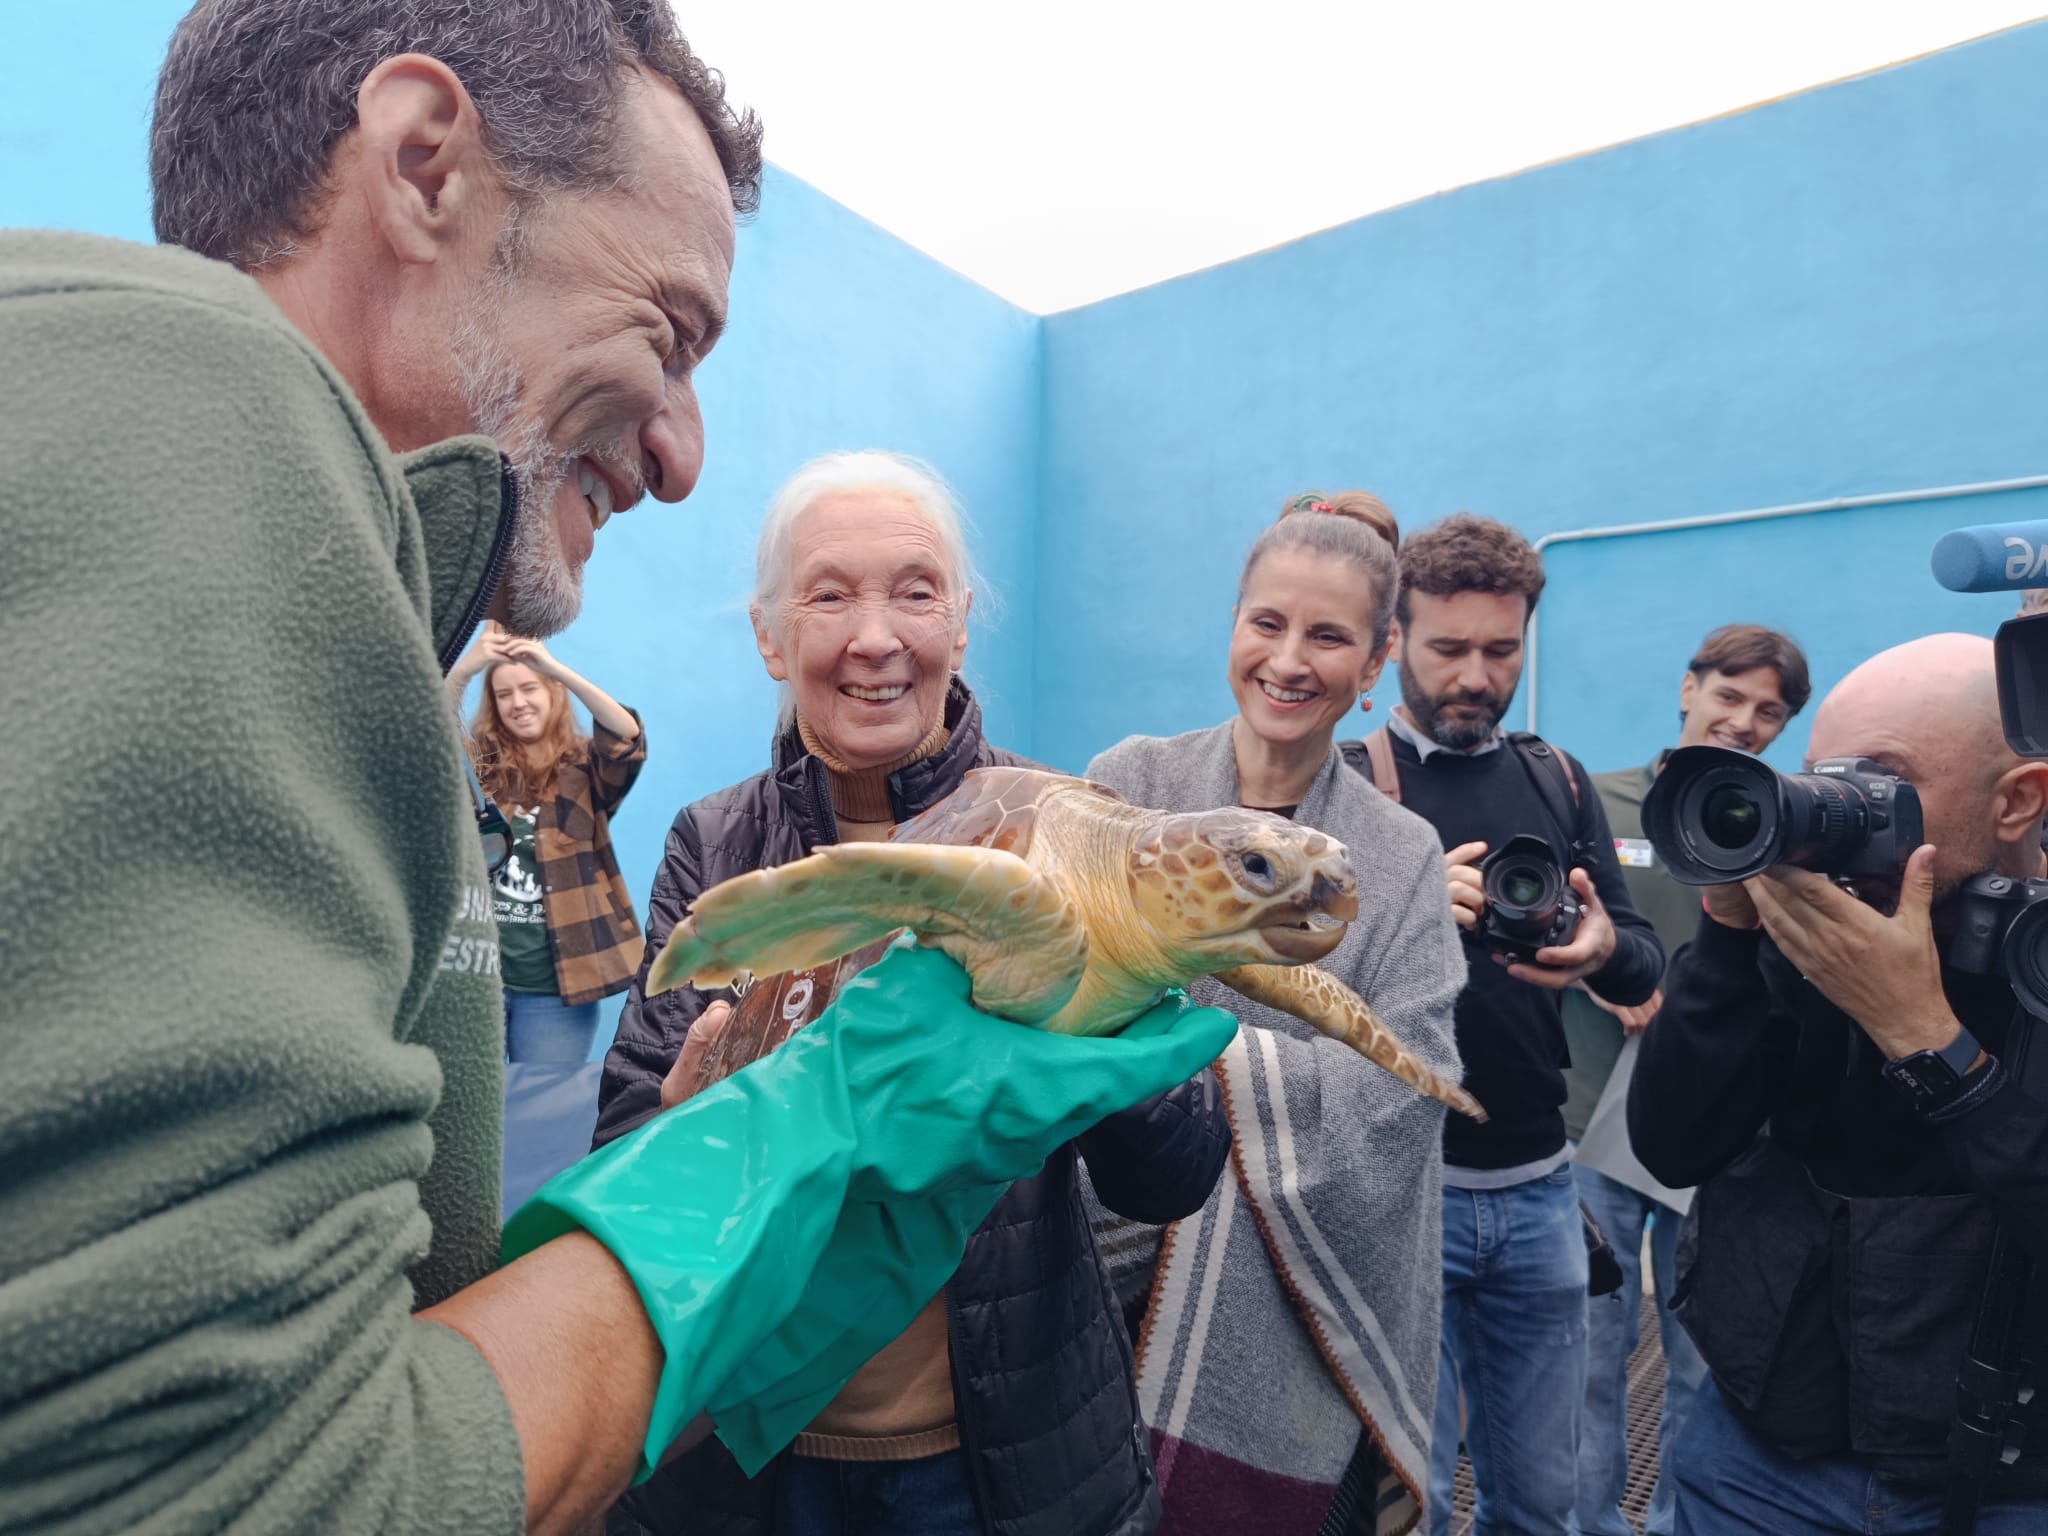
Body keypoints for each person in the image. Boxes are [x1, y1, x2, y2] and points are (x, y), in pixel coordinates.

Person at [0, 7, 1235, 1532]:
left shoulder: (362, 616)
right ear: (422, 164)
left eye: (917, 592)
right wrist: (799, 1125)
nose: (682, 452)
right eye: (668, 331)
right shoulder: (209, 467)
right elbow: (267, 1478)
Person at [595, 451, 1233, 1536]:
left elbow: (1171, 1174)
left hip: (988, 1461)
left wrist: (1104, 1017)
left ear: (962, 620)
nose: (875, 636)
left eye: (915, 589)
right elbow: (623, 1128)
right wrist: (679, 1128)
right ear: (769, 634)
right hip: (753, 1449)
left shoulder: (1071, 829)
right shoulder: (714, 842)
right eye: (829, 593)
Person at [1081, 491, 1468, 1536]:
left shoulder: (1398, 857)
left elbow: (1408, 1082)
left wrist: (1196, 1064)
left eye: (1328, 636)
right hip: (1099, 1275)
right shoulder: (1133, 784)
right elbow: (1058, 978)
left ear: (1375, 661)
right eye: (1267, 623)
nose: (1289, 661)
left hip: (1290, 1313)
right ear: (1233, 625)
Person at [1629, 633, 2048, 1535]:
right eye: (1821, 774)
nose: (1832, 809)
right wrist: (1729, 936)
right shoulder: (1800, 940)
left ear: (2017, 801)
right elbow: (1672, 1143)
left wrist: (1925, 1036)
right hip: (1759, 1456)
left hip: (2006, 1482)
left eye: (1880, 781)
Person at [1344, 513, 1663, 1536]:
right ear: (1394, 642)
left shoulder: (1554, 776)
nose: (1474, 676)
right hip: (1406, 1194)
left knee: (1546, 1504)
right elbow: (1280, 982)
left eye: (1500, 651)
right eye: (1447, 650)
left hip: (1538, 1189)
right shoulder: (1343, 784)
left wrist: (1602, 951)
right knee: (1416, 1501)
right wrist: (1403, 904)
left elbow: (1641, 956)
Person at [1559, 623, 1810, 1536]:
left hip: (1717, 1138)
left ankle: (1675, 1523)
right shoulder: (1604, 803)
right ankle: (1589, 1522)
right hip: (1593, 1124)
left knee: (1704, 1357)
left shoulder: (1779, 823)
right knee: (1593, 1350)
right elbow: (1552, 913)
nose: (1744, 722)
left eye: (1769, 711)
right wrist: (1610, 974)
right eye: (1729, 696)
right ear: (1688, 689)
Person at [449, 622, 648, 1063]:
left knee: (540, 1115)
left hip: (554, 993)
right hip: (475, 978)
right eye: (504, 695)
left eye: (530, 688)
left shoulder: (584, 769)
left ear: (551, 693)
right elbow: (430, 740)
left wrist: (555, 668)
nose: (518, 703)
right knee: (468, 1110)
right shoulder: (480, 768)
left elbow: (626, 738)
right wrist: (465, 672)